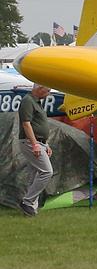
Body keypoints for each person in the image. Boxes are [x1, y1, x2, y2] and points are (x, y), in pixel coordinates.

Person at [16, 83, 53, 216]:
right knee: (47, 172)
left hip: (40, 143)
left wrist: (45, 144)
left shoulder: (36, 102)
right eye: (47, 90)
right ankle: (27, 201)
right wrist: (35, 144)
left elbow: (38, 123)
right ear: (40, 88)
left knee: (35, 175)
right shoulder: (28, 101)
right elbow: (26, 124)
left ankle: (31, 209)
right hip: (31, 142)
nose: (48, 94)